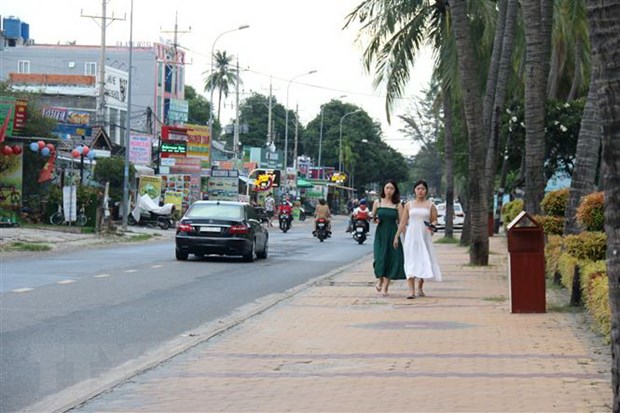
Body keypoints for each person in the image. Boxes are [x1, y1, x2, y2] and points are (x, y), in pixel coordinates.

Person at [394, 179, 442, 299]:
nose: (420, 191)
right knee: (410, 261)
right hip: (411, 236)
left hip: (424, 236)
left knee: (423, 260)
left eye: (423, 189)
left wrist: (433, 226)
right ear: (414, 190)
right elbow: (403, 222)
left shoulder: (430, 205)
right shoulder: (409, 205)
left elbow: (434, 219)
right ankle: (411, 291)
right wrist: (396, 236)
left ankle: (420, 287)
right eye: (418, 189)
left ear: (426, 191)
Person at [371, 179, 406, 296]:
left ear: (395, 190)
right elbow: (372, 217)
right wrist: (375, 220)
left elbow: (402, 222)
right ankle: (380, 279)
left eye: (391, 188)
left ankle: (385, 288)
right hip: (380, 234)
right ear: (383, 189)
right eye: (387, 188)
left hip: (393, 234)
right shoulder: (378, 202)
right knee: (379, 258)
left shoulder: (398, 205)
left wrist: (398, 237)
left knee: (391, 259)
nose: (389, 190)